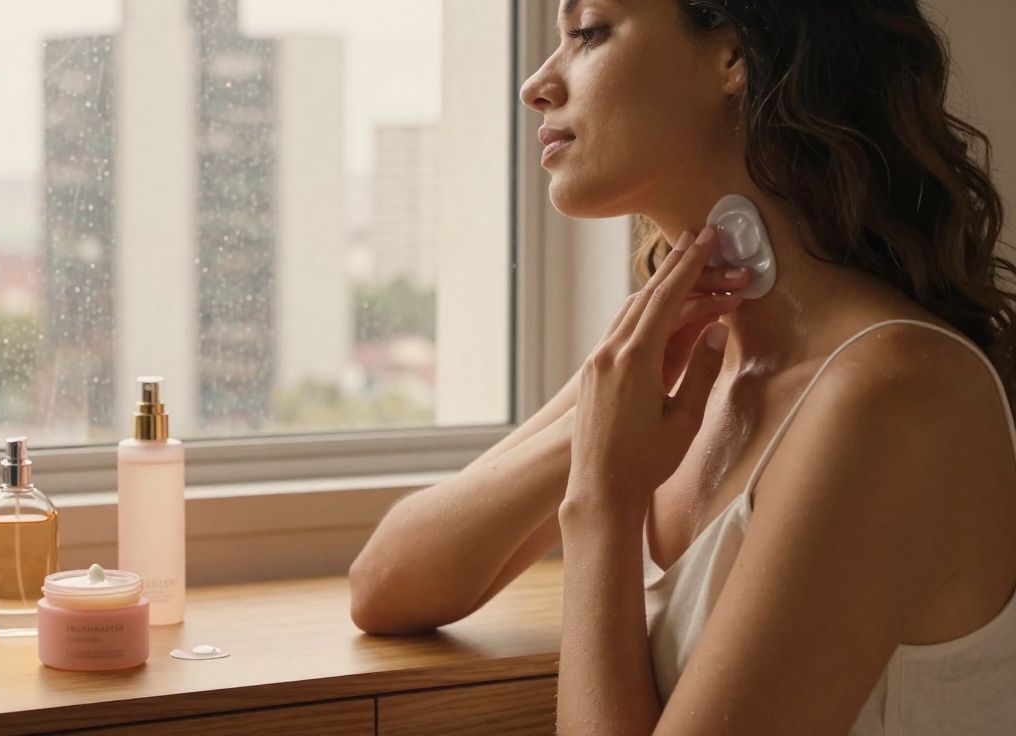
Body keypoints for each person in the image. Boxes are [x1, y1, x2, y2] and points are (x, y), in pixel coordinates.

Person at [348, 1, 1016, 733]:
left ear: (733, 57)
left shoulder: (895, 393)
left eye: (588, 32)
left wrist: (603, 503)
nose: (537, 85)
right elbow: (386, 585)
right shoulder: (685, 359)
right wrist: (595, 440)